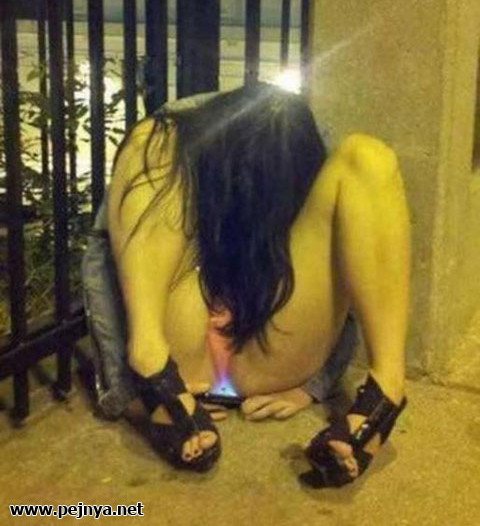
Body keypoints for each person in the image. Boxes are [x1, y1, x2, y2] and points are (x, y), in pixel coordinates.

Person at [84, 82, 410, 488]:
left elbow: (353, 276)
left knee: (369, 158)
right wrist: (127, 393)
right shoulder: (173, 133)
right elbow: (106, 262)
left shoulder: (308, 148)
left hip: (267, 345)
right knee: (152, 137)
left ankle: (386, 390)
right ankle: (150, 362)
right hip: (178, 354)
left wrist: (315, 386)